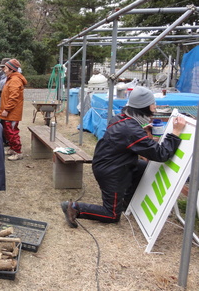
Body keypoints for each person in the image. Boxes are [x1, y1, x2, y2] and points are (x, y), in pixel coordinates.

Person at [61, 86, 187, 228]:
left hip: (111, 163)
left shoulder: (122, 118)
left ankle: (128, 202)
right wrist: (175, 132)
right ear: (144, 106)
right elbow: (161, 154)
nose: (155, 107)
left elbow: (126, 140)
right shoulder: (130, 129)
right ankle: (74, 207)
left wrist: (142, 132)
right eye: (153, 104)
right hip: (111, 171)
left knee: (145, 168)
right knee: (112, 214)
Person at [0, 59, 27, 161]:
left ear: (11, 69)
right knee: (8, 131)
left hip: (12, 112)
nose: (4, 69)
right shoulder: (10, 78)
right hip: (8, 112)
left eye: (6, 68)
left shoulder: (15, 80)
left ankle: (18, 152)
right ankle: (12, 148)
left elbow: (13, 97)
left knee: (12, 132)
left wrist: (7, 109)